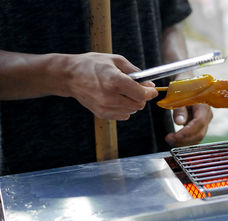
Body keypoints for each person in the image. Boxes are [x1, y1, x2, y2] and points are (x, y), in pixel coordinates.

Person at [0, 1, 213, 175]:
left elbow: (169, 21)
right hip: (36, 176)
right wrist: (65, 74)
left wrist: (183, 76)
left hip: (154, 165)